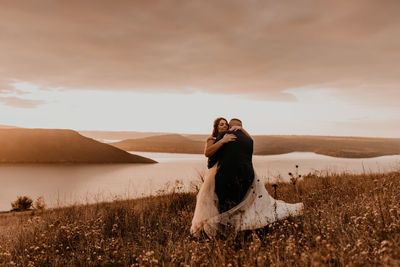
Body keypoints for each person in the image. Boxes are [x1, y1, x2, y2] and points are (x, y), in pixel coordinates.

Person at [190, 117, 303, 237]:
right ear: (216, 127)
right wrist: (223, 140)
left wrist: (241, 131)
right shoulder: (214, 138)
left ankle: (226, 230)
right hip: (215, 174)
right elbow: (208, 154)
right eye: (221, 124)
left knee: (226, 202)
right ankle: (213, 229)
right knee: (212, 203)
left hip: (223, 173)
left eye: (226, 124)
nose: (224, 126)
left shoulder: (228, 136)